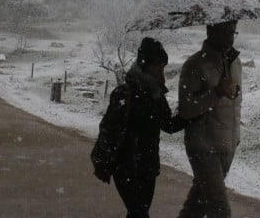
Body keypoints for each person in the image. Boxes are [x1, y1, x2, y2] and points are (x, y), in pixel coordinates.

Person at [94, 37, 184, 218]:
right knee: (139, 213)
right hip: (126, 167)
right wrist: (107, 160)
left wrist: (192, 113)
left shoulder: (156, 94)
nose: (161, 70)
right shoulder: (124, 93)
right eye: (158, 65)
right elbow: (108, 128)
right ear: (146, 64)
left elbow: (169, 125)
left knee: (137, 213)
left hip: (147, 168)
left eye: (163, 65)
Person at [177, 20, 242, 218]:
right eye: (226, 31)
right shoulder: (195, 65)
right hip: (203, 147)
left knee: (197, 205)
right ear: (210, 31)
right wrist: (215, 93)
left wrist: (235, 137)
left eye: (233, 31)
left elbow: (235, 103)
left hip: (227, 145)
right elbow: (187, 110)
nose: (231, 37)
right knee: (220, 209)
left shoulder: (235, 62)